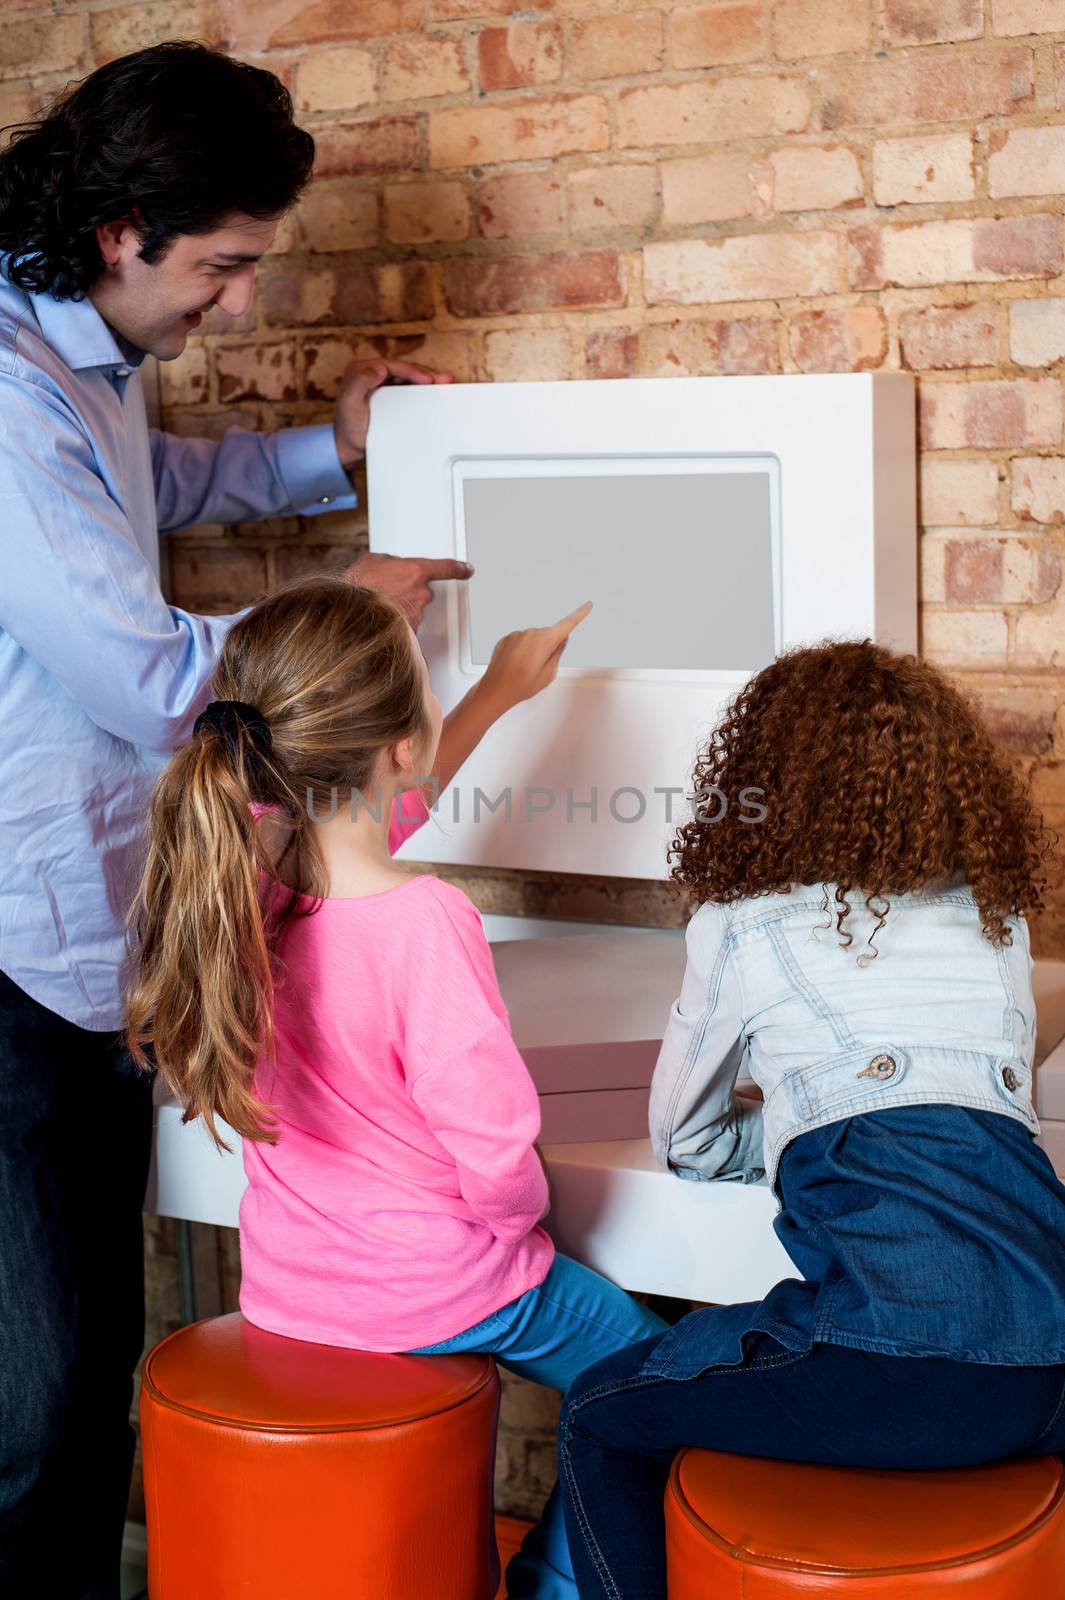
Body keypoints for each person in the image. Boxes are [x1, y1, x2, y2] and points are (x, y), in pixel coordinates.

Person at [0, 43, 469, 1599]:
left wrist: (319, 458)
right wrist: (342, 609)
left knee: (82, 1371)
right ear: (124, 229)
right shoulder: (6, 392)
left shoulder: (89, 373)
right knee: (35, 1400)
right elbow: (147, 674)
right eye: (226, 266)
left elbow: (172, 490)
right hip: (14, 952)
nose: (245, 306)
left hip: (92, 937)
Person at [123, 574, 667, 1599]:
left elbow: (376, 821)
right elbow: (500, 1158)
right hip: (443, 1288)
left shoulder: (253, 894)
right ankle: (549, 1582)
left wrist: (503, 686)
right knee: (653, 1388)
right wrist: (518, 1235)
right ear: (403, 746)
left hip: (294, 1285)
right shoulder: (428, 923)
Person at [556, 638, 1065, 1600]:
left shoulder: (742, 924)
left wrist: (785, 1130)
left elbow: (688, 1138)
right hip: (1053, 1357)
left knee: (597, 1413)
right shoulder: (994, 921)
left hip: (904, 1366)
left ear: (763, 777)